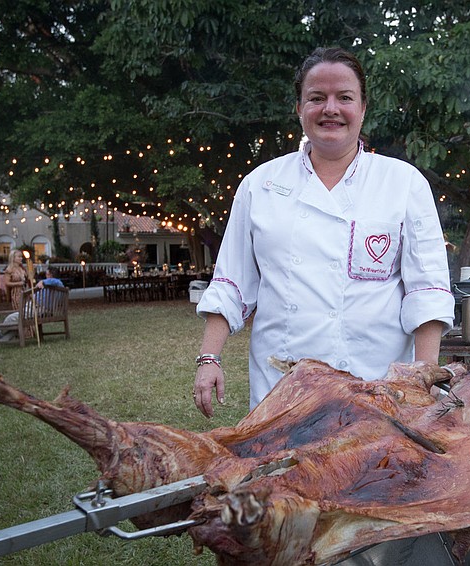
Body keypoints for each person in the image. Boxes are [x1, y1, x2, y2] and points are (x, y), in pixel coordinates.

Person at [193, 47, 455, 417]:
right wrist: (209, 358)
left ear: (363, 108)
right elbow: (231, 283)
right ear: (299, 108)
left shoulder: (403, 183)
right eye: (316, 98)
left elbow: (426, 292)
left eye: (344, 98)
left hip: (378, 391)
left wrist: (421, 382)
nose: (330, 108)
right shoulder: (261, 185)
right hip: (282, 390)